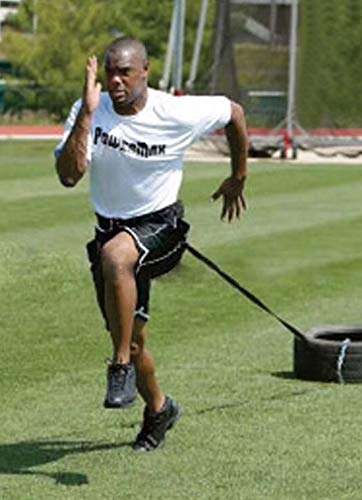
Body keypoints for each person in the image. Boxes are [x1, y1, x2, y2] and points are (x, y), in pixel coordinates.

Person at [54, 36, 248, 452]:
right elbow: (69, 176)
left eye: (125, 72)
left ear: (145, 71)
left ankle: (119, 366)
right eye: (109, 72)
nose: (116, 80)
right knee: (131, 332)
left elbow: (234, 113)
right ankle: (159, 409)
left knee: (116, 256)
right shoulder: (90, 109)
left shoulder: (175, 110)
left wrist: (239, 175)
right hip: (110, 231)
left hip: (162, 227)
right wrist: (87, 114)